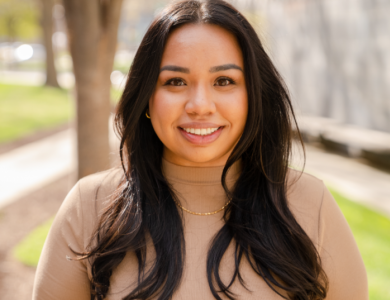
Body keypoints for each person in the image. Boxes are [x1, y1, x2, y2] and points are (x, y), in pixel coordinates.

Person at [32, 0, 368, 299]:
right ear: (147, 97)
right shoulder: (91, 206)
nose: (200, 105)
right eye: (175, 82)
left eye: (224, 81)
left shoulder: (310, 204)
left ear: (254, 97)